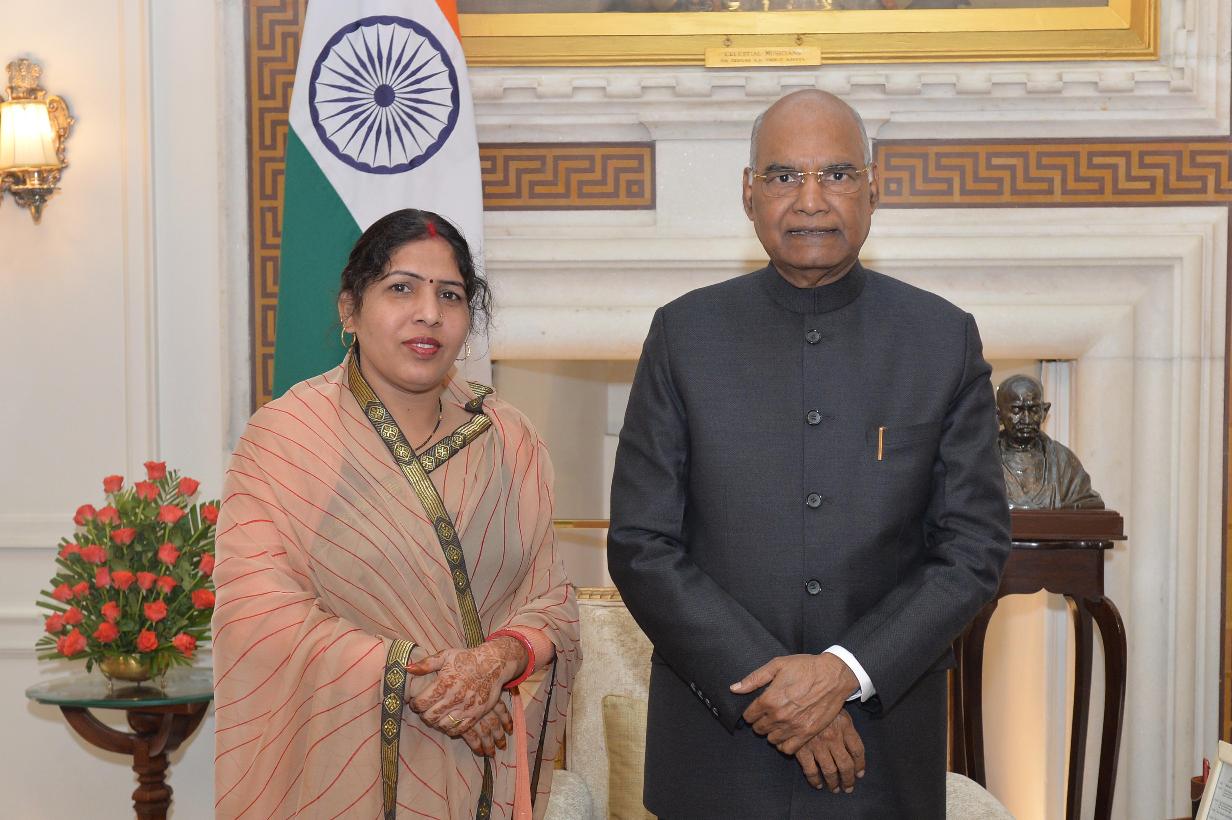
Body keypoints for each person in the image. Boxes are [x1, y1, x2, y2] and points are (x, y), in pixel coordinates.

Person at [607, 90, 1011, 818]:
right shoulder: (683, 335)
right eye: (785, 176)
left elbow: (973, 548)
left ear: (874, 189)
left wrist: (845, 673)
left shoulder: (941, 339)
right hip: (718, 756)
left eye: (838, 174)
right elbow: (641, 544)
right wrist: (776, 690)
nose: (811, 200)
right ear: (748, 193)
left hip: (881, 755)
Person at [213, 209, 579, 820]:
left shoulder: (509, 438)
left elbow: (553, 601)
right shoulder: (288, 438)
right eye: (402, 288)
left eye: (450, 295)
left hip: (483, 759)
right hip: (339, 764)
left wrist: (497, 662)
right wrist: (420, 677)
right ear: (350, 310)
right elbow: (260, 616)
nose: (429, 313)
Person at [996, 373, 1104, 509]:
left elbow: (1090, 503)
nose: (1027, 419)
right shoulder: (983, 461)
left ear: (1044, 412)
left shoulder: (1064, 461)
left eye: (1034, 410)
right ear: (998, 415)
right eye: (1017, 410)